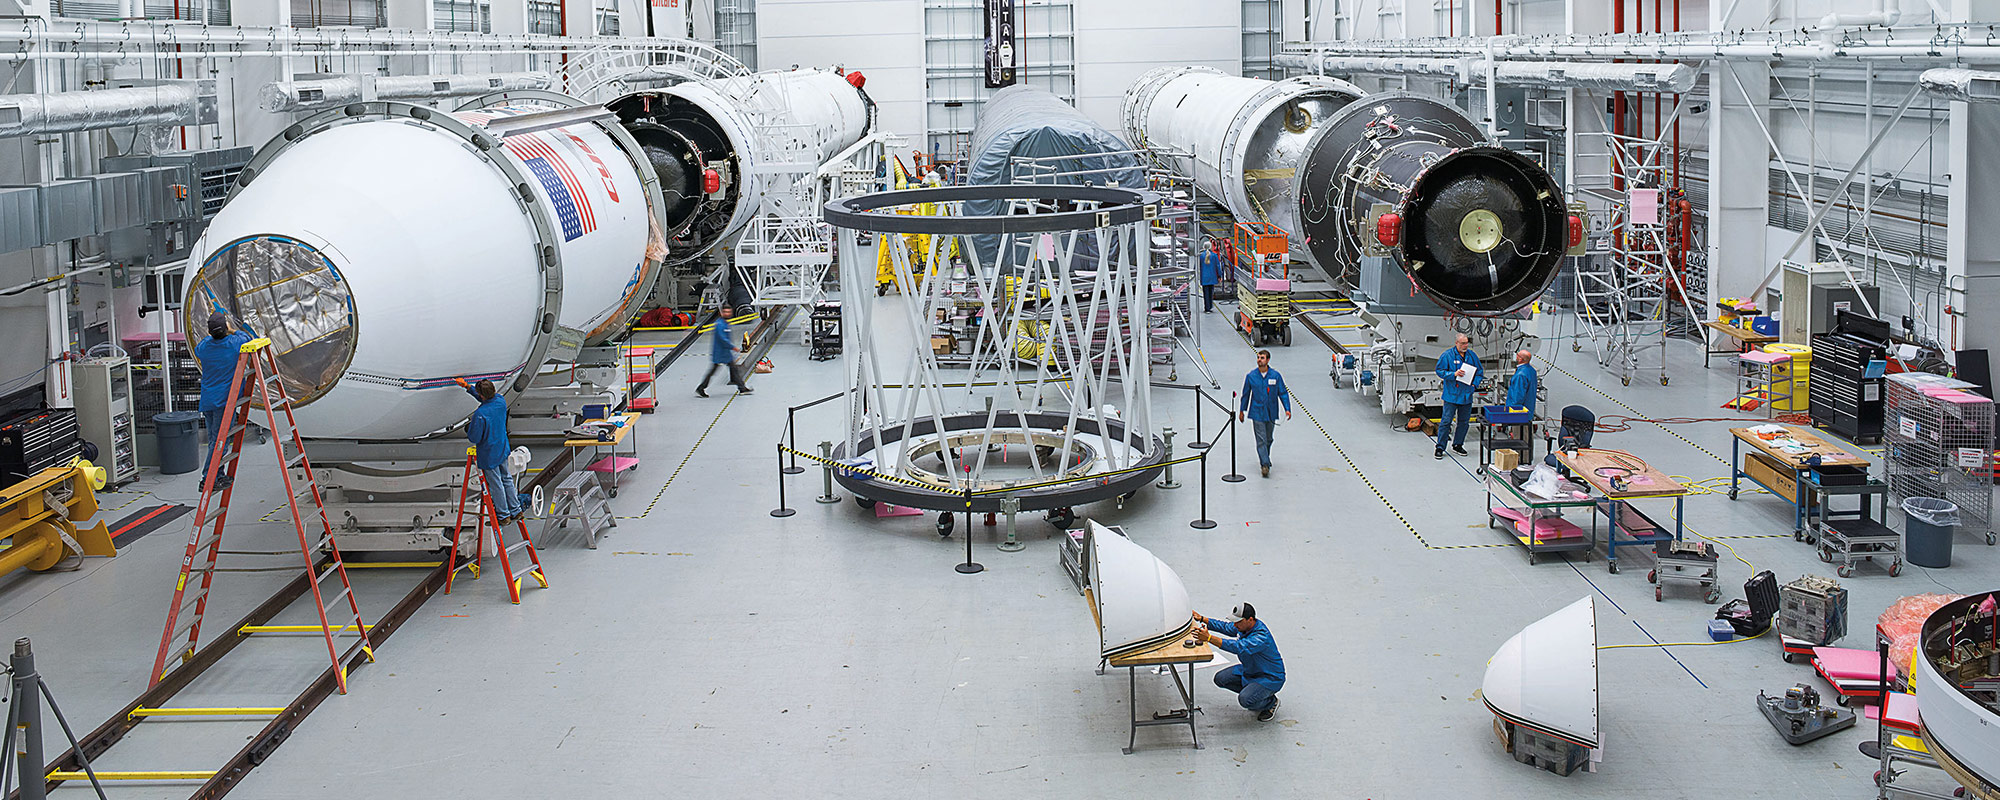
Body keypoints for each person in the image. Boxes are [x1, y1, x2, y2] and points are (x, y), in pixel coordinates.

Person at [1194, 603, 1286, 722]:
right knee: (1220, 678)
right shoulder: (1243, 626)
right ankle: (1255, 692)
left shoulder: (1261, 637)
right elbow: (1226, 627)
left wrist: (1209, 638)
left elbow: (1238, 647)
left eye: (1238, 622)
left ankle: (1270, 703)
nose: (1235, 625)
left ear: (1250, 619)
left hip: (1269, 677)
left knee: (1245, 700)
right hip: (1250, 669)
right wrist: (1202, 619)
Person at [193, 312, 253, 490]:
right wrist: (232, 329)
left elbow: (201, 344)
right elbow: (246, 337)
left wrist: (215, 331)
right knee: (220, 442)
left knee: (213, 439)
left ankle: (217, 475)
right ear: (226, 328)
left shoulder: (204, 349)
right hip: (223, 403)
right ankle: (208, 478)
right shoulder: (234, 345)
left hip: (207, 401)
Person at [462, 378, 528, 524]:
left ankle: (503, 515)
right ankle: (516, 510)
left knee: (496, 483)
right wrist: (468, 387)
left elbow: (474, 437)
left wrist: (469, 428)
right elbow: (486, 398)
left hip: (488, 453)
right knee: (507, 479)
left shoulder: (480, 414)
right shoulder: (500, 401)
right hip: (502, 448)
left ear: (482, 395)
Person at [1238, 349, 1291, 478]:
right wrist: (1242, 411)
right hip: (1257, 412)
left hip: (1271, 412)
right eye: (1258, 357)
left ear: (1267, 360)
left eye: (1262, 358)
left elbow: (1282, 393)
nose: (1259, 360)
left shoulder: (1275, 376)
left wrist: (1287, 408)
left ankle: (1265, 457)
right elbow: (1245, 395)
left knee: (1269, 438)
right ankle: (1265, 465)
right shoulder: (1251, 376)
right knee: (1261, 439)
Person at [1434, 334, 1483, 460]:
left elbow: (1479, 373)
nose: (1465, 346)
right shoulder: (1447, 356)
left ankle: (1458, 444)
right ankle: (1440, 447)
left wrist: (1474, 385)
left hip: (1466, 395)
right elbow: (1439, 371)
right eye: (1462, 343)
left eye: (1466, 343)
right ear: (1456, 343)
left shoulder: (1472, 356)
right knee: (1446, 421)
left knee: (1463, 422)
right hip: (1451, 395)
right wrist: (1453, 374)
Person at [696, 307, 752, 397]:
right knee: (714, 371)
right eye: (725, 312)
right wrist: (733, 347)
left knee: (733, 369)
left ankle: (742, 388)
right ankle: (701, 388)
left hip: (725, 352)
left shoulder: (725, 323)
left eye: (729, 312)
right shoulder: (720, 325)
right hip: (720, 352)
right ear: (721, 313)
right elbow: (723, 339)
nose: (727, 313)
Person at [1506, 349, 1538, 417]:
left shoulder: (1520, 375)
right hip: (1528, 409)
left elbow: (1518, 396)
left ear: (1521, 359)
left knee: (1519, 427)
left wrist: (1512, 410)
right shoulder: (1531, 370)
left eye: (1518, 355)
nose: (1516, 357)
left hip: (1519, 413)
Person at [1199, 241, 1222, 313]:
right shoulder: (1214, 255)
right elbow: (1218, 266)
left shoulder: (1201, 256)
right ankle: (1210, 306)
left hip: (1204, 278)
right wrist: (1219, 275)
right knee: (1211, 292)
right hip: (1212, 277)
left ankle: (1207, 308)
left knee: (1205, 293)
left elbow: (1197, 266)